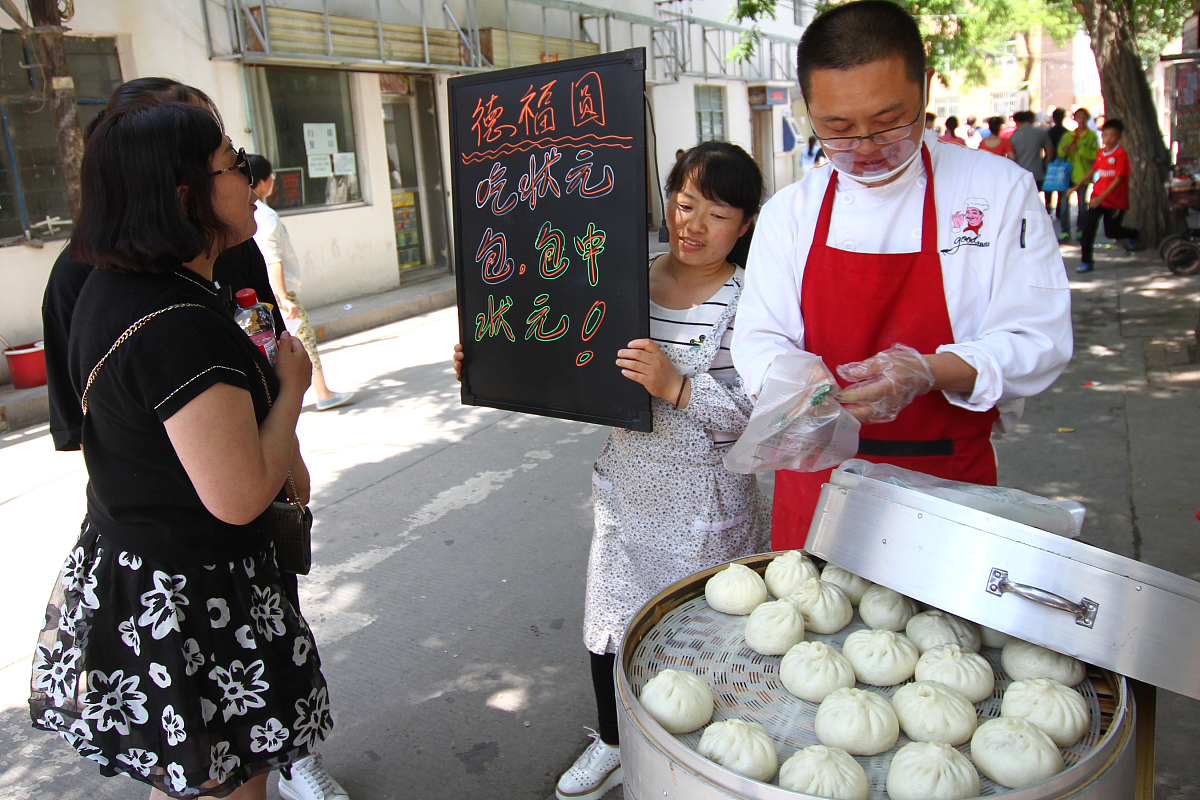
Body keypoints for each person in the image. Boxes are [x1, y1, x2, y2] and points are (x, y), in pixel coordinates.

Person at [37, 78, 351, 800]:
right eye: (230, 163)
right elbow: (240, 496)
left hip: (149, 571)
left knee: (193, 776)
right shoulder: (175, 322)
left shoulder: (124, 285)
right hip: (194, 598)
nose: (247, 177)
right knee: (228, 783)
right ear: (183, 195)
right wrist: (294, 394)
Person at [454, 143, 771, 800]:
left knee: (701, 638)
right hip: (629, 489)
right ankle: (614, 743)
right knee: (609, 625)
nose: (693, 224)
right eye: (685, 204)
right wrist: (491, 358)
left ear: (744, 226)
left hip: (706, 508)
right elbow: (563, 350)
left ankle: (698, 762)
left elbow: (756, 419)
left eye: (717, 214)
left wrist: (678, 387)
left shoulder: (750, 303)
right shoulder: (621, 278)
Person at [732, 0, 1073, 547]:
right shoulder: (791, 212)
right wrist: (796, 377)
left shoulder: (998, 191)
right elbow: (757, 336)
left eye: (890, 122)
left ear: (927, 88)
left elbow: (1039, 339)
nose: (865, 148)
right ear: (809, 110)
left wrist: (929, 371)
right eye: (838, 128)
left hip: (946, 484)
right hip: (817, 483)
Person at [248, 155, 355, 412]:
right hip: (280, 291)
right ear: (262, 180)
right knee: (303, 342)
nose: (273, 180)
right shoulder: (265, 215)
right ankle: (322, 393)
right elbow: (273, 260)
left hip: (269, 291)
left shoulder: (254, 213)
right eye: (271, 176)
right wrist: (283, 297)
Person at [1071, 118, 1140, 273]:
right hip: (1098, 199)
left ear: (1119, 137)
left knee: (1111, 232)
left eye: (1112, 136)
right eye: (1105, 135)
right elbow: (1093, 170)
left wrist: (1101, 198)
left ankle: (1134, 233)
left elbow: (1119, 179)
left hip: (1115, 201)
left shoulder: (1121, 154)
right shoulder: (1100, 153)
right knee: (1087, 230)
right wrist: (1077, 186)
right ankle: (1087, 262)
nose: (1108, 139)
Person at [1055, 107, 1099, 244]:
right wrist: (1065, 149)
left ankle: (1081, 229)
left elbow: (1095, 154)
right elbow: (1060, 153)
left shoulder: (1091, 136)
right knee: (1063, 204)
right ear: (1074, 118)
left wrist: (1079, 150)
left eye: (1083, 116)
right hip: (1066, 176)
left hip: (1083, 175)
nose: (1081, 119)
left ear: (1087, 118)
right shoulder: (1068, 136)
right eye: (1078, 116)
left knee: (1081, 205)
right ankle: (1065, 231)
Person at [1009, 110, 1053, 189]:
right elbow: (1050, 149)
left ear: (1017, 121)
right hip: (1037, 172)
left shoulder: (1013, 136)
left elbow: (1011, 157)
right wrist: (1047, 161)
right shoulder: (1041, 132)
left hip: (1020, 173)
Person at [1045, 108, 1068, 214]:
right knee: (1061, 185)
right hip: (1064, 161)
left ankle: (1048, 206)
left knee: (1049, 185)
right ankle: (1060, 210)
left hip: (1050, 160)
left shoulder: (1049, 132)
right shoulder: (1067, 133)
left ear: (1053, 118)